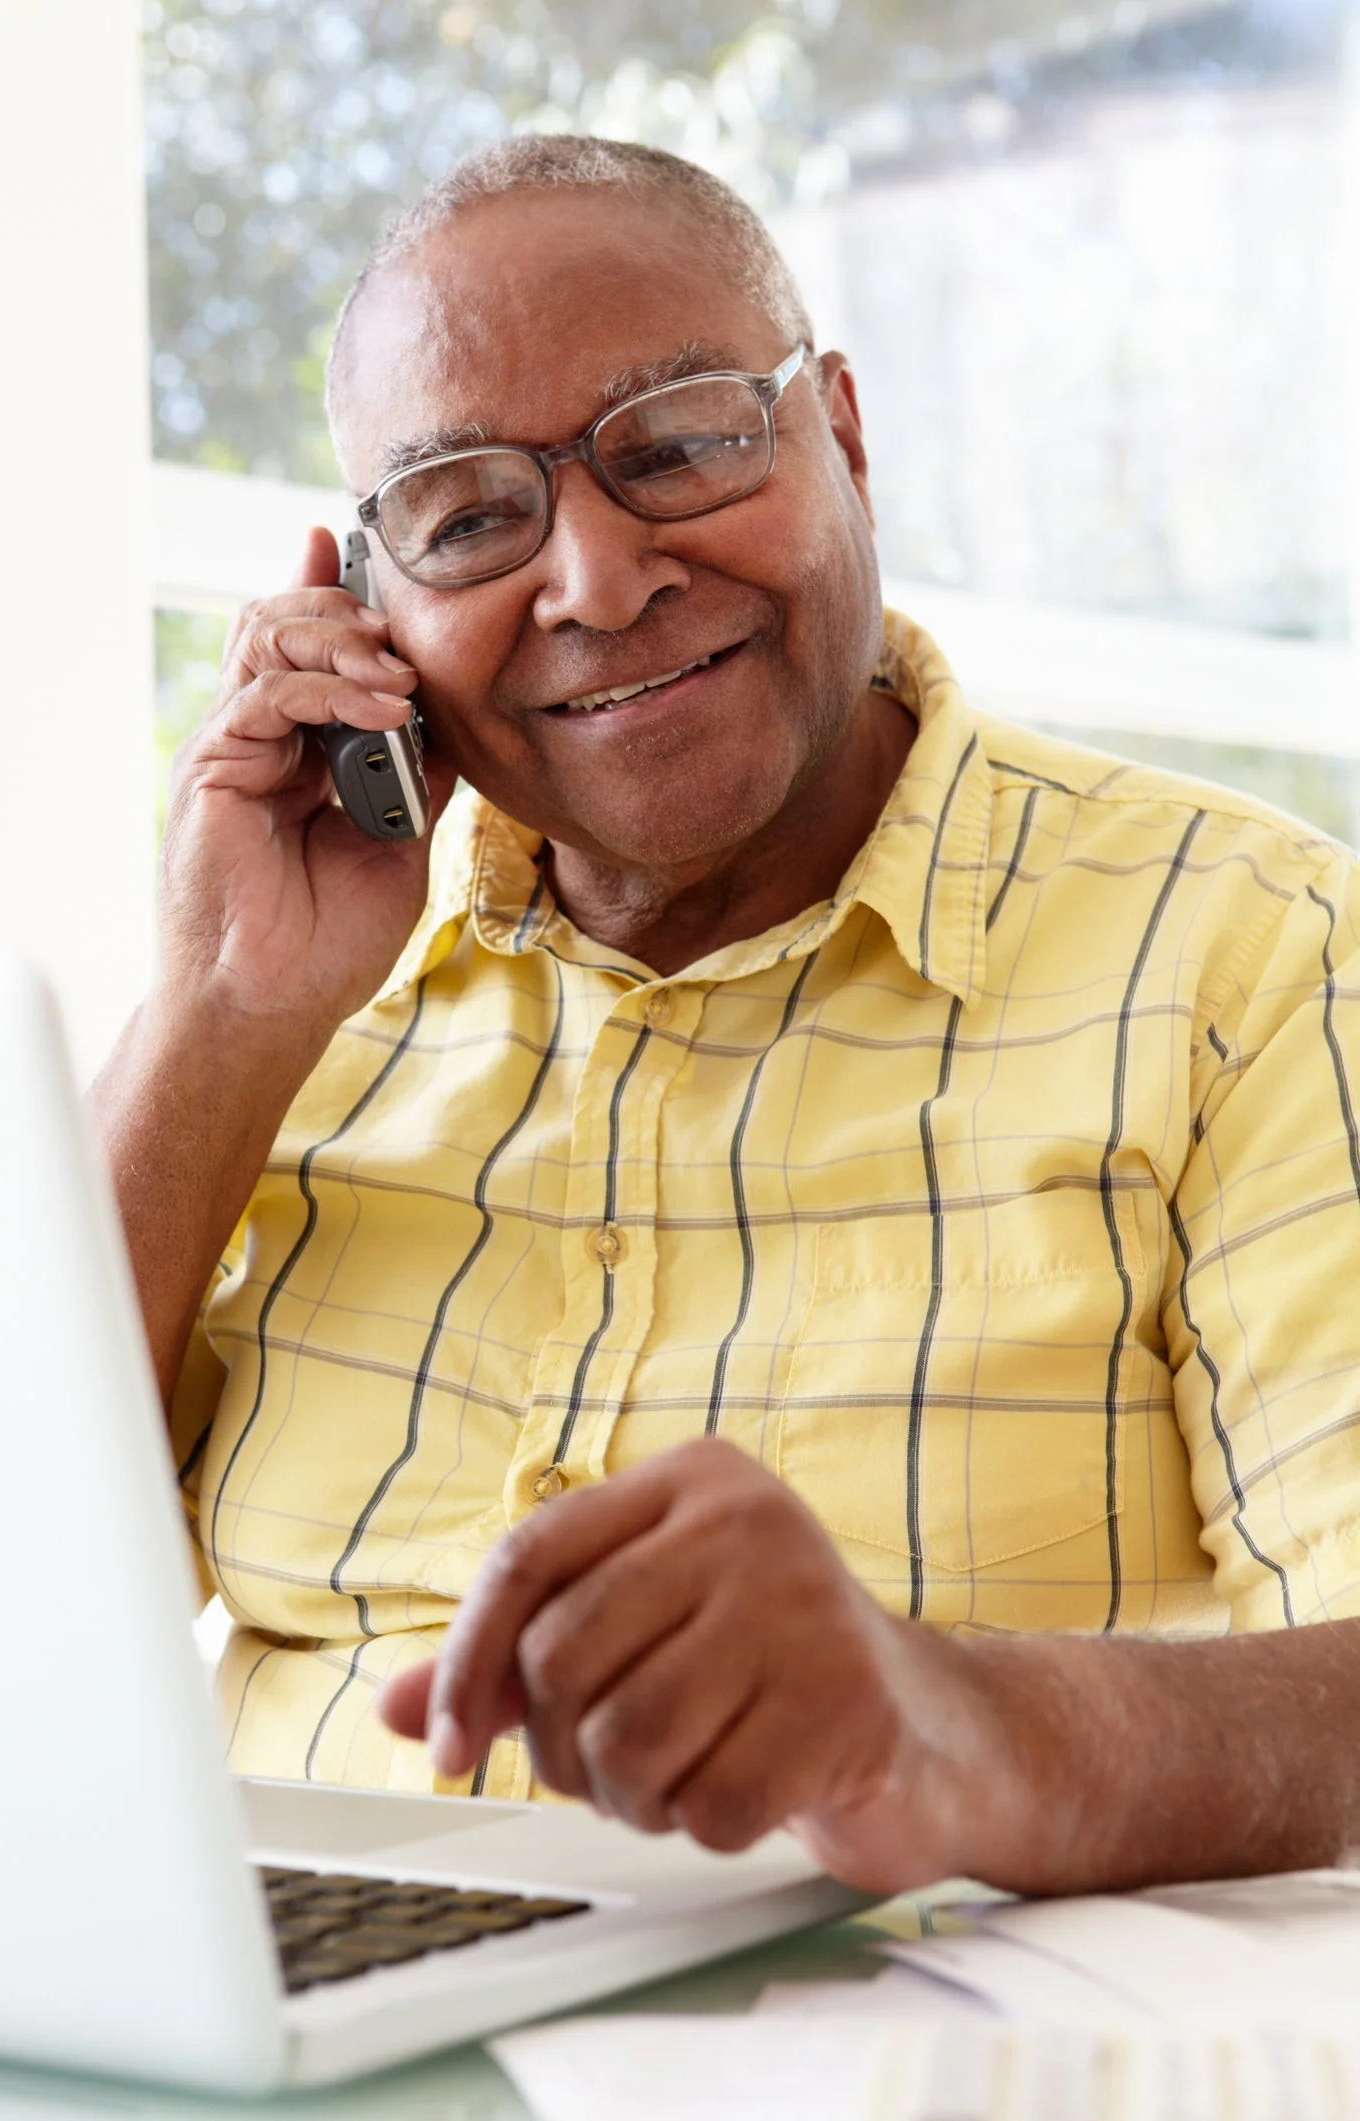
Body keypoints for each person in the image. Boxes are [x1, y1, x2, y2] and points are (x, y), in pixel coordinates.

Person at [94, 136, 1360, 1899]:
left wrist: (933, 1715)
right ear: (367, 607)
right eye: (467, 517)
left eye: (679, 444)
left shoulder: (1253, 953)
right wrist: (223, 1016)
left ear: (839, 432)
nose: (598, 583)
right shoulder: (286, 1009)